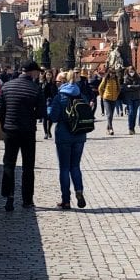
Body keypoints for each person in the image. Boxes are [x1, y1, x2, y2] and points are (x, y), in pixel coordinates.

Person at [0, 61, 46, 211]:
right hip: (28, 132)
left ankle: (9, 197)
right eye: (37, 72)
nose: (38, 75)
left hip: (10, 130)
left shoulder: (7, 86)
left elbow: (0, 109)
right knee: (28, 167)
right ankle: (27, 200)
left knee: (9, 164)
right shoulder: (36, 89)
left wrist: (5, 125)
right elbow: (41, 113)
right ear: (32, 72)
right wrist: (30, 115)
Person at [46, 70, 89, 210]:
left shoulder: (60, 97)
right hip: (79, 135)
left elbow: (53, 117)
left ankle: (66, 200)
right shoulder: (81, 95)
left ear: (63, 82)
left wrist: (48, 108)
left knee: (64, 168)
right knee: (75, 166)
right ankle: (79, 191)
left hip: (64, 136)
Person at [120, 65, 140, 134]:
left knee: (135, 113)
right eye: (130, 71)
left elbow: (139, 87)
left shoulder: (138, 77)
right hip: (129, 98)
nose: (131, 72)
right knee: (131, 112)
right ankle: (130, 128)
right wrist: (133, 87)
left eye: (132, 71)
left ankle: (133, 128)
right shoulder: (126, 78)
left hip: (136, 97)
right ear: (128, 71)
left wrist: (130, 86)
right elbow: (125, 88)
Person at [98, 69, 121, 135]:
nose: (113, 75)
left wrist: (116, 95)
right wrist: (102, 96)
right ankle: (111, 128)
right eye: (112, 73)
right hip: (106, 99)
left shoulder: (116, 80)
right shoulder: (105, 79)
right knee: (109, 114)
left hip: (114, 99)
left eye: (114, 73)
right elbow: (100, 88)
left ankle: (108, 128)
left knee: (111, 115)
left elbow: (119, 89)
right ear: (109, 73)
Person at [40, 69, 57, 139]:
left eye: (50, 75)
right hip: (44, 102)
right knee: (45, 118)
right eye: (47, 75)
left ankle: (49, 129)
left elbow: (55, 93)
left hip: (51, 102)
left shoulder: (53, 83)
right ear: (45, 75)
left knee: (50, 118)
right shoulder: (42, 83)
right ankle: (46, 133)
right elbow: (41, 93)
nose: (48, 76)